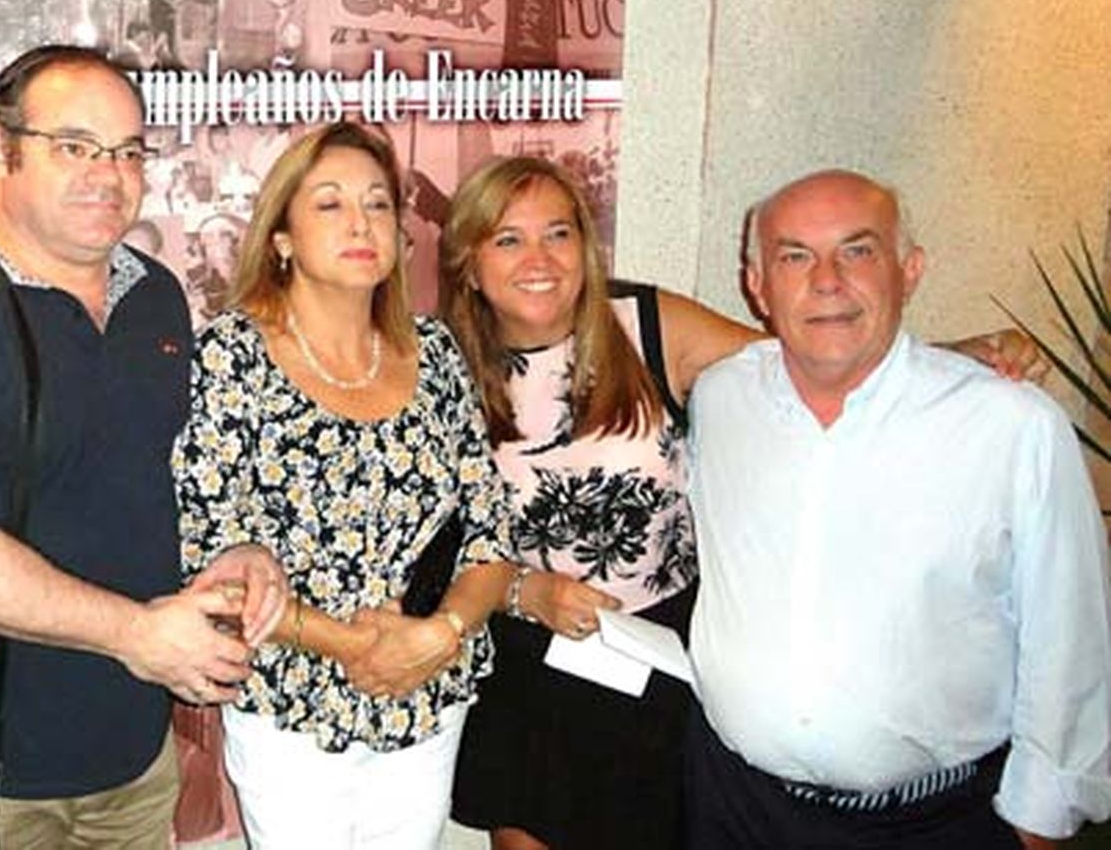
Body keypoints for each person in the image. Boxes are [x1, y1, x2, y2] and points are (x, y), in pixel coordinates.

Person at [442, 157, 1049, 850]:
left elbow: (801, 362)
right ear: (468, 259)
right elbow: (435, 554)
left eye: (558, 232)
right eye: (508, 239)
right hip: (535, 669)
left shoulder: (643, 323)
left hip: (665, 661)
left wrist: (958, 358)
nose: (539, 259)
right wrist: (525, 591)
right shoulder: (441, 365)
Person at [0, 44, 287, 850]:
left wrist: (236, 552)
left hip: (128, 756)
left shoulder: (154, 296)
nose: (107, 174)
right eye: (73, 146)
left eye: (127, 152)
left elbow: (141, 482)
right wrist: (137, 634)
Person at [686, 169, 1111, 850]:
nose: (826, 280)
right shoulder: (720, 398)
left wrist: (1039, 823)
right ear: (757, 285)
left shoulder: (1011, 427)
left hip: (932, 823)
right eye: (794, 255)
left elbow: (1072, 634)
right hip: (735, 807)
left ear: (909, 270)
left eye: (858, 251)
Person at [173, 121, 515, 848]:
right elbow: (203, 548)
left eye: (379, 204)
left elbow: (490, 528)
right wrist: (354, 646)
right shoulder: (231, 356)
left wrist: (438, 634)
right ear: (282, 236)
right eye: (329, 204)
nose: (360, 222)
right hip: (293, 700)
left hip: (426, 692)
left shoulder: (438, 354)